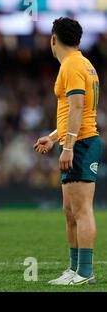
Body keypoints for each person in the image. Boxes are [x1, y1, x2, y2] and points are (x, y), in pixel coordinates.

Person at [34, 17, 102, 285]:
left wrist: (69, 146)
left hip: (82, 142)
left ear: (53, 39)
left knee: (82, 209)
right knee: (70, 211)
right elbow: (73, 111)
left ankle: (85, 272)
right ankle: (75, 268)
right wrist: (54, 138)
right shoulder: (83, 63)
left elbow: (77, 107)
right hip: (77, 139)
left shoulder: (72, 65)